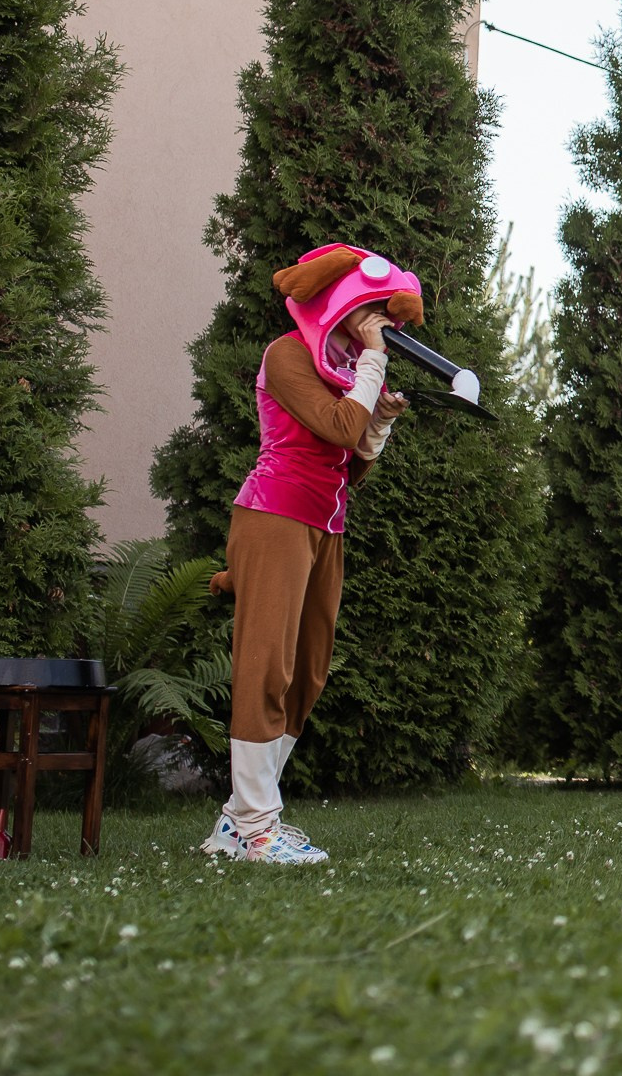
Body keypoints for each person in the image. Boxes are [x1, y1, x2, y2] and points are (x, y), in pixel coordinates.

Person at [202, 244, 415, 865]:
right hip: (273, 516)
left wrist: (380, 421)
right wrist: (372, 377)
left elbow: (353, 459)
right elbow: (337, 426)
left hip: (326, 524)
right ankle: (258, 827)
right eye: (372, 307)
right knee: (266, 665)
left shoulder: (349, 367)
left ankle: (237, 820)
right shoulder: (288, 353)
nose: (381, 321)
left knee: (308, 672)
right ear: (341, 302)